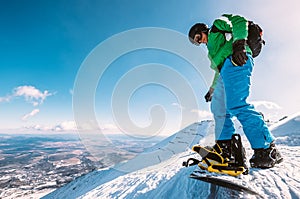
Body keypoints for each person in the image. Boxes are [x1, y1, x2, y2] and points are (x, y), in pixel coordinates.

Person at [188, 14, 283, 169]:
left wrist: (239, 44)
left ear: (202, 30)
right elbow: (219, 70)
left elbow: (239, 21)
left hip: (237, 59)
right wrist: (212, 89)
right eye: (196, 42)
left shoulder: (217, 26)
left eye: (198, 37)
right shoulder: (211, 49)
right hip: (225, 70)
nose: (199, 42)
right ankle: (227, 148)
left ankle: (267, 149)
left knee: (236, 104)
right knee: (218, 108)